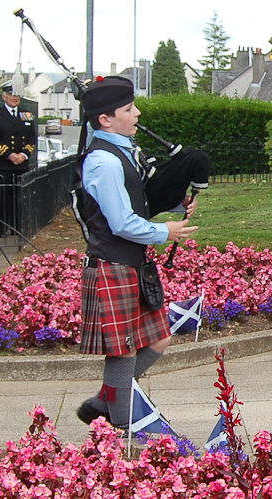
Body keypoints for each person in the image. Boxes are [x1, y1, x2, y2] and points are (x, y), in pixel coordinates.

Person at [74, 76, 198, 429]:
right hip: (112, 263)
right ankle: (122, 424)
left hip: (131, 264)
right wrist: (165, 231)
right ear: (105, 120)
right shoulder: (104, 162)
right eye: (129, 109)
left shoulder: (123, 151)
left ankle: (105, 400)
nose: (137, 113)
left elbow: (135, 196)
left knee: (159, 338)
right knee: (123, 349)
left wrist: (175, 202)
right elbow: (122, 222)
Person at [0, 80, 36, 235]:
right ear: (4, 96)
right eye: (11, 94)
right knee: (3, 198)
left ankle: (18, 228)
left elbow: (32, 138)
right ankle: (1, 228)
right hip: (3, 164)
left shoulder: (26, 115)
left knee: (19, 197)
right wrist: (10, 155)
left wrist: (23, 155)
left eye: (16, 95)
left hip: (21, 163)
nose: (14, 98)